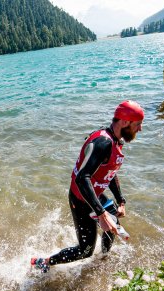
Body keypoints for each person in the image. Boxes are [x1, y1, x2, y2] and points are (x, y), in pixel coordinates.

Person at [31, 100, 144, 273]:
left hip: (95, 193)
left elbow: (110, 171)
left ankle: (103, 261)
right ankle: (43, 261)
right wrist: (101, 213)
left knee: (113, 228)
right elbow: (82, 178)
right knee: (85, 251)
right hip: (81, 199)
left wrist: (120, 201)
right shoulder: (102, 143)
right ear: (124, 122)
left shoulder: (115, 141)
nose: (140, 129)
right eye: (137, 124)